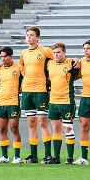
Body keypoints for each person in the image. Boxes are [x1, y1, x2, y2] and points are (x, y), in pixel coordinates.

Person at [19, 27, 53, 163]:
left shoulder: (46, 51)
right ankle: (33, 155)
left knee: (43, 122)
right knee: (31, 123)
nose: (29, 37)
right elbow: (21, 65)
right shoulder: (24, 53)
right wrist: (22, 71)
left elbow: (57, 61)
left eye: (32, 35)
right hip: (27, 91)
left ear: (37, 38)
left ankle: (48, 154)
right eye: (27, 35)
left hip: (41, 90)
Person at [46, 42, 80, 164]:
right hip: (53, 101)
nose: (56, 55)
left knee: (68, 128)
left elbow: (81, 73)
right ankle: (56, 157)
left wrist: (77, 60)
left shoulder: (71, 63)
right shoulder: (49, 64)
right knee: (56, 128)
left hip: (67, 101)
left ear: (64, 52)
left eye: (58, 52)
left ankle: (70, 158)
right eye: (54, 52)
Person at [0, 47, 23, 163]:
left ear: (11, 56)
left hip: (13, 102)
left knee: (14, 128)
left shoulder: (18, 67)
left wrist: (21, 88)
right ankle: (4, 156)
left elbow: (26, 78)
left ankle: (17, 156)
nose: (3, 59)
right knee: (2, 130)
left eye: (5, 56)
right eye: (1, 57)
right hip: (1, 103)